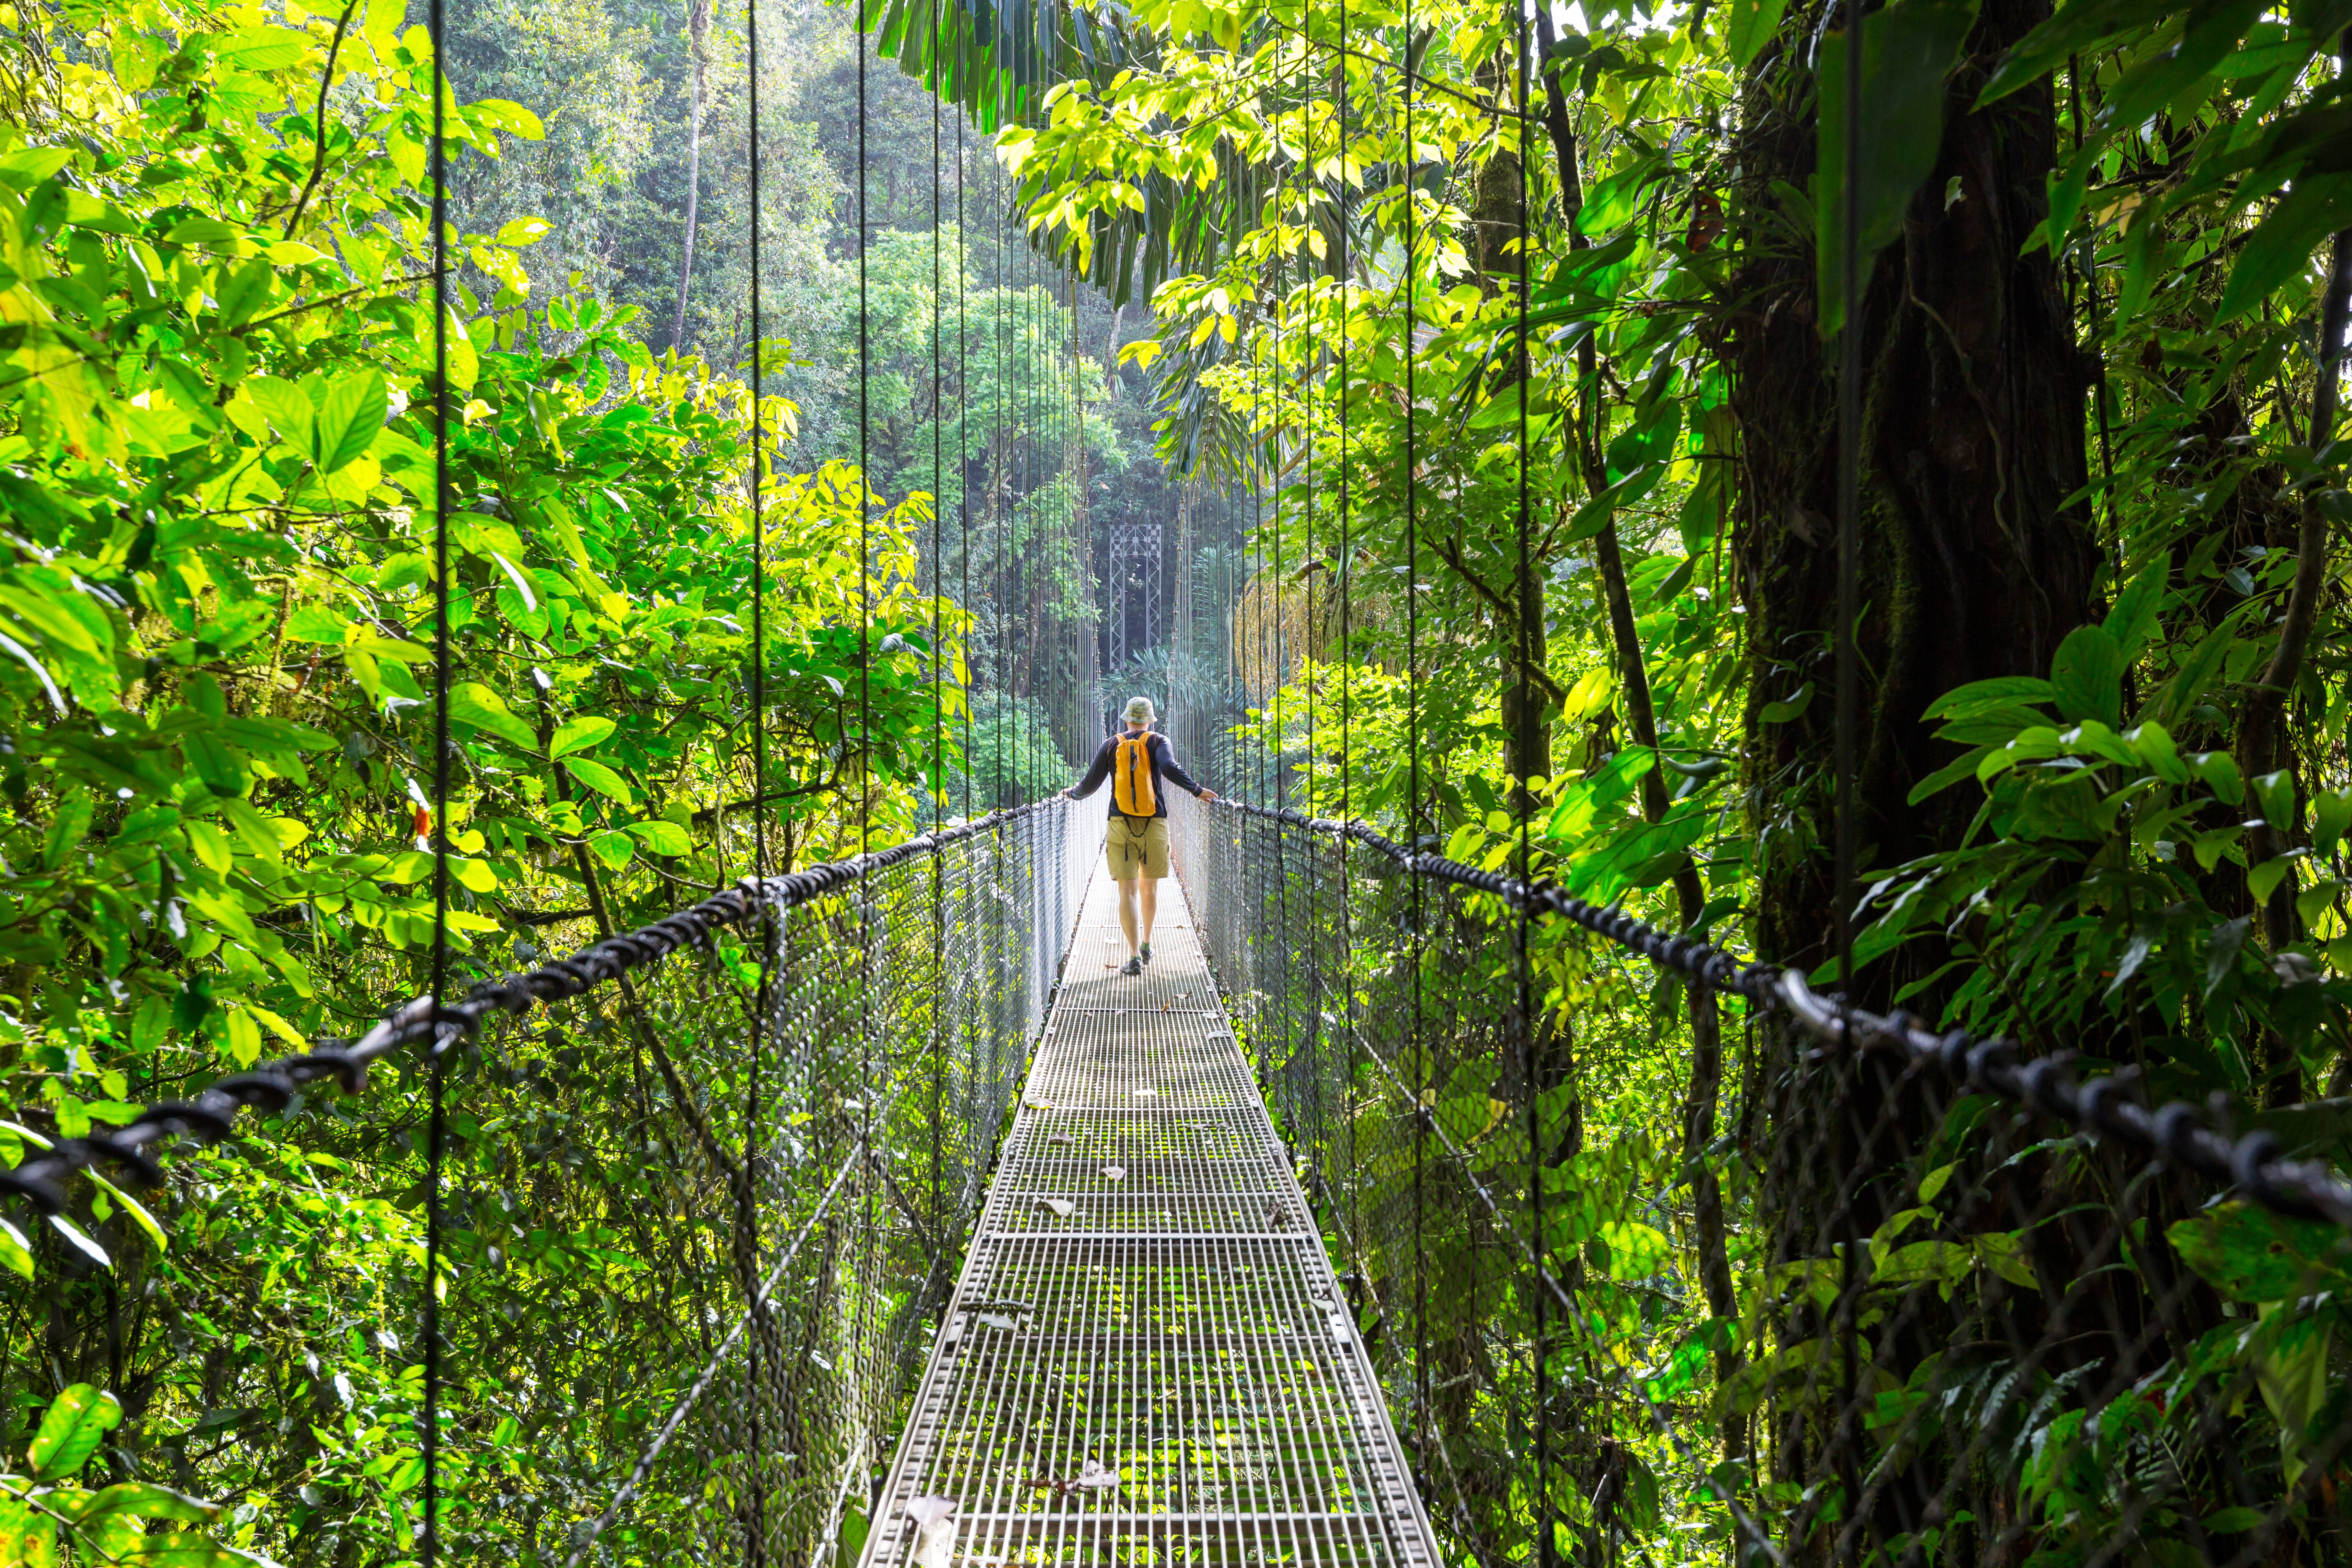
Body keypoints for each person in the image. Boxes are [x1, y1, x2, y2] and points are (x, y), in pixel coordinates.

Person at [1060, 696, 1216, 975]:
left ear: (1126, 719)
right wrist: (1196, 789)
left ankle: (1133, 957)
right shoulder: (1158, 741)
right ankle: (1146, 944)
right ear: (1150, 720)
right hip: (1154, 822)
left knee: (1127, 892)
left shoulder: (1112, 744)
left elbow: (1091, 784)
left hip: (1120, 823)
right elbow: (1168, 769)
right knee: (1150, 888)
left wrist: (1072, 794)